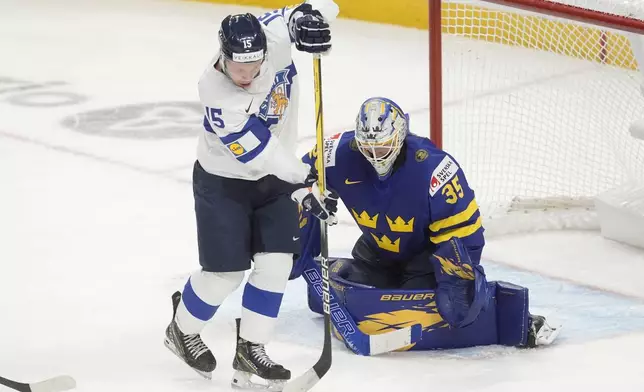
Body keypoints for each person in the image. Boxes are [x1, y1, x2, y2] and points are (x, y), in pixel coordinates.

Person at [163, 1, 339, 388]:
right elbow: (263, 153)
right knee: (224, 275)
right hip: (223, 183)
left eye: (253, 66)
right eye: (238, 67)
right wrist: (305, 182)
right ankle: (181, 328)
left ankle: (252, 348)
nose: (246, 74)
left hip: (275, 180)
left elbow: (316, 6)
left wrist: (310, 19)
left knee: (276, 264)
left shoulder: (272, 37)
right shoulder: (216, 94)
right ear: (223, 56)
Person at [292, 96, 560, 351]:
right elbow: (294, 175)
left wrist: (458, 278)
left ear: (400, 136)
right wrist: (308, 193)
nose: (375, 155)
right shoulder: (335, 152)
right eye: (368, 147)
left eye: (383, 146)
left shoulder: (434, 169)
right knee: (348, 282)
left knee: (453, 306)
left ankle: (504, 312)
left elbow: (467, 233)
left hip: (427, 257)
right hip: (377, 251)